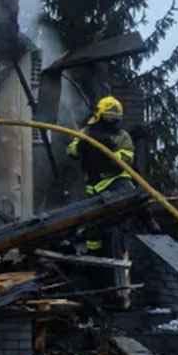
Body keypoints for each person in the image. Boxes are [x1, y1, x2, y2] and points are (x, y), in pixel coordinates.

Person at [66, 95, 135, 254]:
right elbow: (71, 150)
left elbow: (128, 156)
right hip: (93, 185)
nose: (112, 122)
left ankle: (125, 248)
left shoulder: (122, 136)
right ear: (99, 116)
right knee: (93, 224)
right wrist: (81, 146)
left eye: (115, 119)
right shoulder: (86, 132)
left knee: (127, 210)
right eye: (109, 118)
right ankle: (94, 255)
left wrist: (110, 154)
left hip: (117, 181)